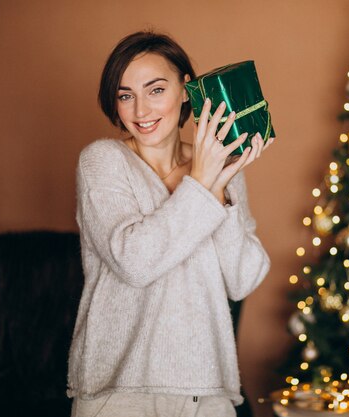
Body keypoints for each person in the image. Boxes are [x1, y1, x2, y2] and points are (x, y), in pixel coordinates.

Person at [67, 31, 273, 417]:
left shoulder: (220, 163)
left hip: (207, 391)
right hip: (119, 392)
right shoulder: (102, 161)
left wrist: (222, 188)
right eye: (126, 95)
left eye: (155, 89)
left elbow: (243, 279)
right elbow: (134, 261)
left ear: (186, 90)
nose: (141, 110)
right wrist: (202, 181)